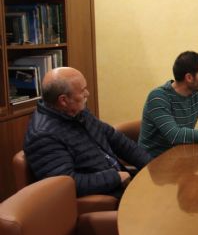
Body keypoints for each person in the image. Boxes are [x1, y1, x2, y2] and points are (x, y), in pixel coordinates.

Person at [23, 67, 151, 198]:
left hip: (122, 181)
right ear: (63, 100)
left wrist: (150, 165)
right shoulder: (43, 136)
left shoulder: (77, 111)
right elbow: (66, 184)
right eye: (82, 90)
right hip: (108, 195)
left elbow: (117, 140)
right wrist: (116, 177)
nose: (87, 93)